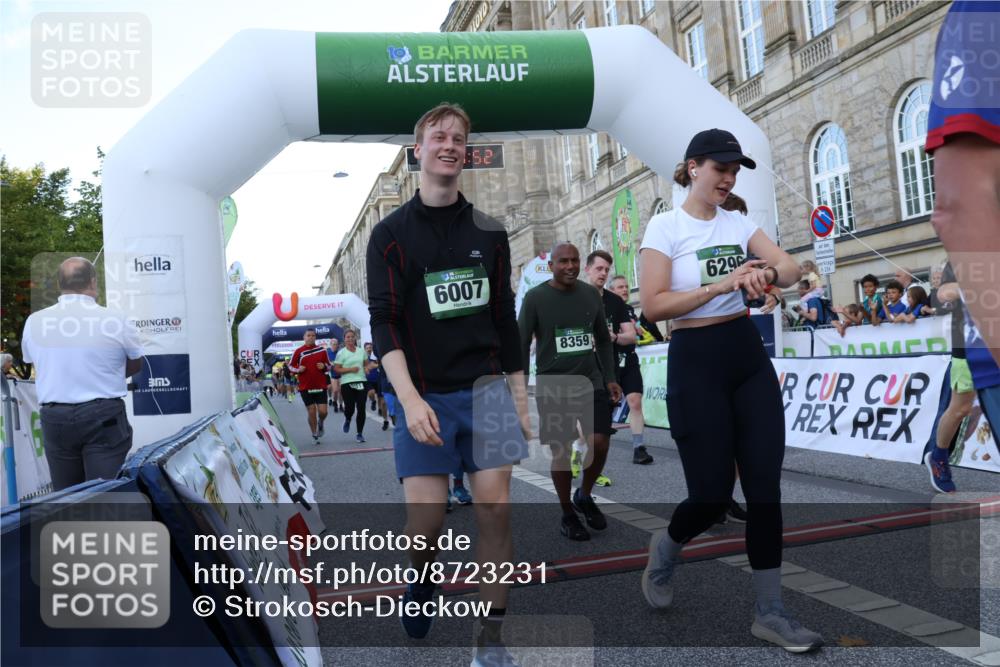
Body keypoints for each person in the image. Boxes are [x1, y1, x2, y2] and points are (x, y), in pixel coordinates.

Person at [638, 128, 822, 651]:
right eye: (721, 168)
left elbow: (790, 267)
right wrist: (719, 286)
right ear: (693, 167)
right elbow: (653, 306)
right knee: (711, 496)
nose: (729, 178)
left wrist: (766, 274)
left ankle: (771, 612)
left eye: (735, 170)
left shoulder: (738, 222)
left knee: (764, 489)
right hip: (695, 360)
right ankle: (666, 549)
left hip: (745, 355)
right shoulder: (665, 226)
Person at [365, 102, 530, 661]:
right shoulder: (389, 234)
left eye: (458, 138)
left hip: (487, 393)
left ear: (466, 152)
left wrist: (520, 397)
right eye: (438, 137)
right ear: (419, 150)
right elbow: (384, 321)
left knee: (495, 511)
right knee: (426, 525)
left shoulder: (491, 232)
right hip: (425, 396)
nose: (450, 145)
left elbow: (504, 316)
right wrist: (409, 400)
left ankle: (490, 640)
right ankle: (422, 577)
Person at [518, 242, 622, 541]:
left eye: (574, 260)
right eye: (563, 261)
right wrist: (520, 389)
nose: (570, 266)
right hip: (554, 384)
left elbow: (603, 338)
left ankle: (584, 495)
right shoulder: (535, 298)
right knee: (561, 452)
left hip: (591, 380)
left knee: (599, 442)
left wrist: (610, 377)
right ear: (551, 266)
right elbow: (521, 344)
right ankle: (567, 513)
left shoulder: (590, 294)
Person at [20, 257, 145, 491]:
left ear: (60, 284)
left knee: (67, 496)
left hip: (56, 418)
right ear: (93, 282)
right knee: (105, 494)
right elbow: (135, 364)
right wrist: (106, 376)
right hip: (103, 415)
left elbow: (36, 362)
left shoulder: (34, 322)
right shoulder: (117, 319)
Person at [925, 261, 971, 493]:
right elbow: (942, 294)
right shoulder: (962, 258)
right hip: (970, 348)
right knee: (960, 409)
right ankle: (939, 456)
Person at [608, 274, 654, 465]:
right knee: (601, 410)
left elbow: (641, 335)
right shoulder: (605, 307)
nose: (625, 290)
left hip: (629, 360)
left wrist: (639, 331)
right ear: (611, 291)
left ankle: (639, 448)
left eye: (626, 286)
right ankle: (580, 449)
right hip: (610, 362)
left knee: (635, 401)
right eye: (620, 287)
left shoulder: (629, 310)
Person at [288, 328, 329, 444]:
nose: (311, 337)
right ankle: (314, 434)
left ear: (315, 337)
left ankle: (321, 422)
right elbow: (290, 366)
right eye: (308, 335)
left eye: (313, 335)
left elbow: (329, 366)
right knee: (311, 411)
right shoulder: (298, 351)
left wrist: (324, 366)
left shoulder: (322, 350)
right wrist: (298, 369)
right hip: (305, 387)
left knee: (323, 412)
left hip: (320, 385)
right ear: (304, 337)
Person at [332, 330, 368, 443]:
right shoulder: (341, 353)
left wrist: (367, 368)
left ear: (355, 338)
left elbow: (366, 365)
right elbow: (336, 369)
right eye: (348, 337)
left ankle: (359, 433)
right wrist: (350, 369)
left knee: (361, 407)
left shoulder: (361, 351)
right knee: (350, 407)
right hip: (347, 383)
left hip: (361, 381)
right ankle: (348, 419)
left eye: (352, 337)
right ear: (344, 339)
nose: (350, 339)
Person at [327, 338, 343, 412]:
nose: (335, 346)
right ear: (330, 345)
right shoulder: (328, 353)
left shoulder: (340, 353)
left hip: (341, 374)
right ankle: (335, 402)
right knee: (335, 390)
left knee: (341, 391)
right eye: (333, 344)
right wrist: (329, 365)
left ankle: (340, 405)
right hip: (333, 374)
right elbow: (325, 363)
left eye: (336, 344)